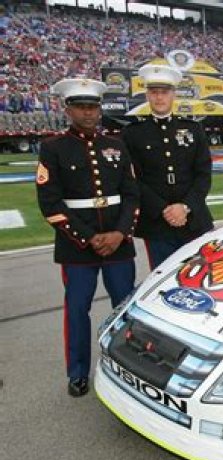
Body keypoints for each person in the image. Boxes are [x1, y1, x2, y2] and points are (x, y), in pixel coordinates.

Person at [36, 78, 139, 397]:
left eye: (93, 107)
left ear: (99, 109)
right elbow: (50, 202)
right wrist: (90, 237)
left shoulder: (117, 145)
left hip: (119, 244)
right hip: (76, 247)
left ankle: (129, 367)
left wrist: (120, 232)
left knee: (126, 310)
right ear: (68, 110)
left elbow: (131, 194)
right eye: (80, 107)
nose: (88, 113)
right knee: (77, 310)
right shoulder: (53, 148)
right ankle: (78, 372)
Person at [122, 64, 214, 269]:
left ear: (173, 94)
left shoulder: (193, 129)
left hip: (194, 220)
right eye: (154, 92)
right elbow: (133, 179)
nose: (159, 97)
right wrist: (164, 210)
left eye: (164, 92)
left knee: (199, 276)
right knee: (163, 278)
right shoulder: (133, 133)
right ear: (147, 95)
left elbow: (203, 174)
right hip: (157, 224)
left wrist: (185, 207)